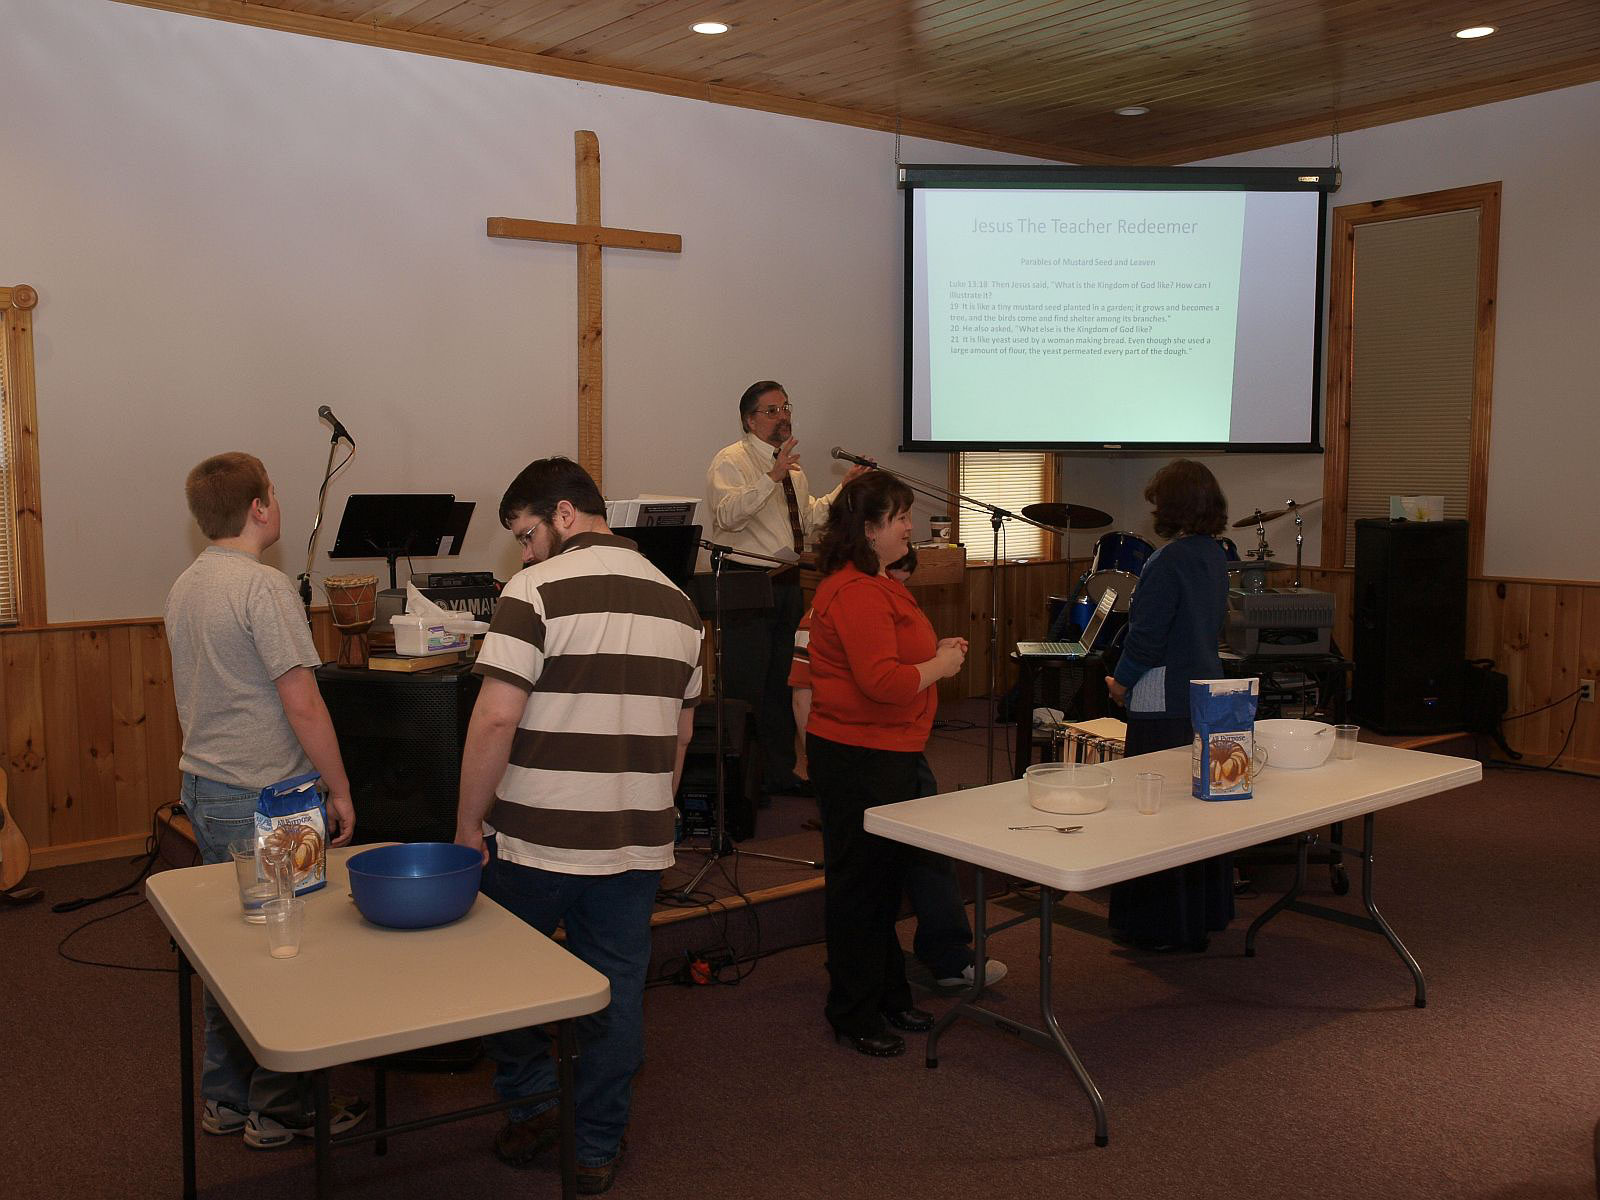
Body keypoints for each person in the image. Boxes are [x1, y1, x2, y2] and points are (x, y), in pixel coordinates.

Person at [456, 457, 702, 1195]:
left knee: (506, 978)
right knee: (615, 993)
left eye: (526, 535)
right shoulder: (681, 605)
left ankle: (533, 1108)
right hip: (635, 841)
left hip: (534, 838)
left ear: (564, 514)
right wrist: (648, 814)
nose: (525, 552)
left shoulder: (532, 591)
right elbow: (682, 737)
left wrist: (467, 823)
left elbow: (495, 719)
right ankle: (595, 1145)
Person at [164, 451, 366, 1149]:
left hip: (205, 788)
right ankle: (282, 1109)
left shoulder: (186, 584)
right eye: (273, 493)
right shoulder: (265, 587)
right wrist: (339, 787)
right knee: (286, 952)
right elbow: (302, 701)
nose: (277, 503)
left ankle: (226, 1097)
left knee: (234, 952)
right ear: (258, 508)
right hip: (268, 797)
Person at [791, 546, 1006, 993]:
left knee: (925, 850)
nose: (897, 588)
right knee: (864, 873)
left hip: (899, 747)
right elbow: (806, 693)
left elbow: (903, 667)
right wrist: (811, 757)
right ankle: (865, 972)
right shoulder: (826, 612)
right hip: (857, 754)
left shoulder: (886, 601)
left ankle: (944, 955)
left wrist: (937, 655)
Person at [806, 470, 968, 1057]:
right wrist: (940, 668)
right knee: (860, 887)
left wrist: (937, 652)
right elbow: (881, 682)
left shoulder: (880, 584)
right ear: (870, 529)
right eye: (900, 517)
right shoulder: (854, 592)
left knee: (884, 883)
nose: (910, 527)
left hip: (888, 750)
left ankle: (889, 995)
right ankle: (853, 1011)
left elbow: (898, 658)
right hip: (858, 754)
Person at [706, 380, 866, 797]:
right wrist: (770, 478)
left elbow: (807, 520)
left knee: (783, 682)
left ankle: (778, 773)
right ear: (749, 420)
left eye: (786, 408)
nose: (784, 416)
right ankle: (741, 785)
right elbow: (727, 516)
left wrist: (844, 489)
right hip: (745, 582)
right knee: (746, 686)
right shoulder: (731, 460)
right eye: (772, 410)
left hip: (787, 582)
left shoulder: (792, 466)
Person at [1104, 458, 1233, 951]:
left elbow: (1147, 637)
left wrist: (1121, 681)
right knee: (1198, 809)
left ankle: (1161, 927)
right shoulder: (1214, 554)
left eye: (1158, 500)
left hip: (1163, 699)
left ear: (1172, 505)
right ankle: (1202, 915)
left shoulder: (1167, 561)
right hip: (1206, 693)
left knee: (1156, 811)